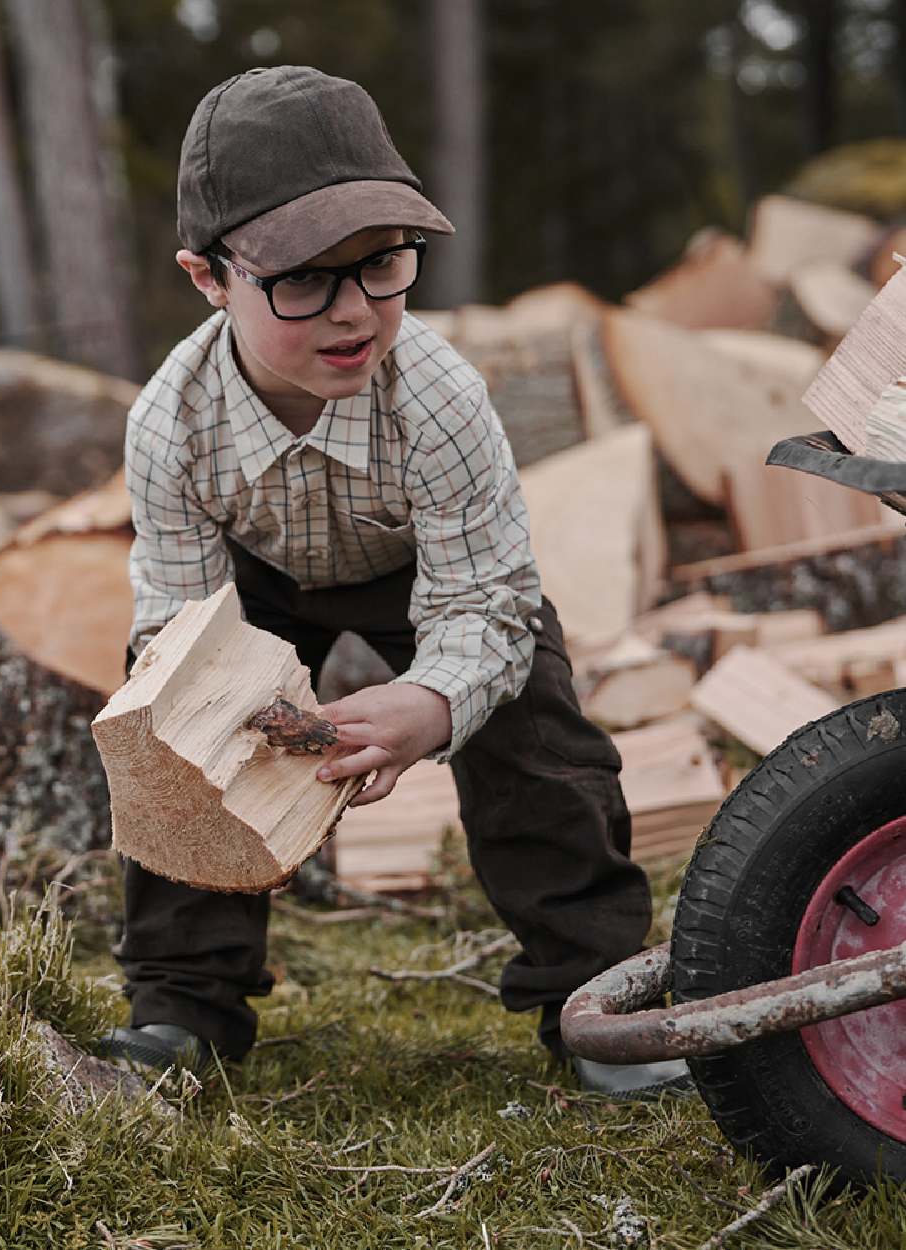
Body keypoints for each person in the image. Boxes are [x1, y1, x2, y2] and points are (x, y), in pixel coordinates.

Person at [97, 65, 689, 1097]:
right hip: (249, 584)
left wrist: (431, 701)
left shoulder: (441, 395)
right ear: (207, 276)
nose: (353, 313)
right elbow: (180, 623)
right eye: (301, 280)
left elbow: (485, 600)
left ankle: (595, 996)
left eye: (381, 264)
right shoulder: (168, 425)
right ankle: (185, 1006)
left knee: (541, 740)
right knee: (176, 734)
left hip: (429, 573)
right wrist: (222, 701)